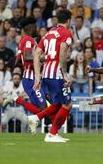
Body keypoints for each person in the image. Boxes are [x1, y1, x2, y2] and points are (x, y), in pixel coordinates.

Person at [28, 9, 73, 143]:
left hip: (46, 73)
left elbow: (36, 54)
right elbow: (63, 50)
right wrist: (65, 73)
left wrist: (37, 76)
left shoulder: (48, 34)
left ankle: (36, 118)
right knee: (68, 105)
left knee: (59, 103)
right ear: (68, 21)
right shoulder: (66, 32)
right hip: (57, 74)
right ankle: (52, 134)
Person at [3, 17, 48, 114]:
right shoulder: (28, 40)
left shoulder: (30, 41)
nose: (37, 29)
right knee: (43, 107)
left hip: (35, 77)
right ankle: (16, 98)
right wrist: (43, 58)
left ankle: (33, 118)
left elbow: (19, 60)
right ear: (31, 28)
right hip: (30, 78)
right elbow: (27, 56)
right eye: (36, 27)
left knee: (43, 108)